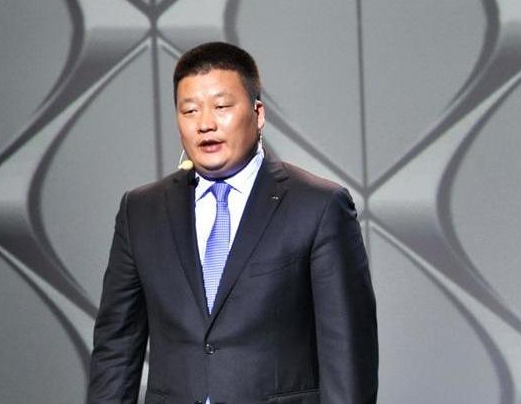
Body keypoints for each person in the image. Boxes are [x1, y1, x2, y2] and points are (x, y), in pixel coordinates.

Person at [88, 42, 378, 404]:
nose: (205, 124)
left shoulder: (318, 206)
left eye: (222, 107)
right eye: (189, 110)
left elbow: (348, 356)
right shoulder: (141, 211)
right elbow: (116, 349)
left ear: (258, 113)